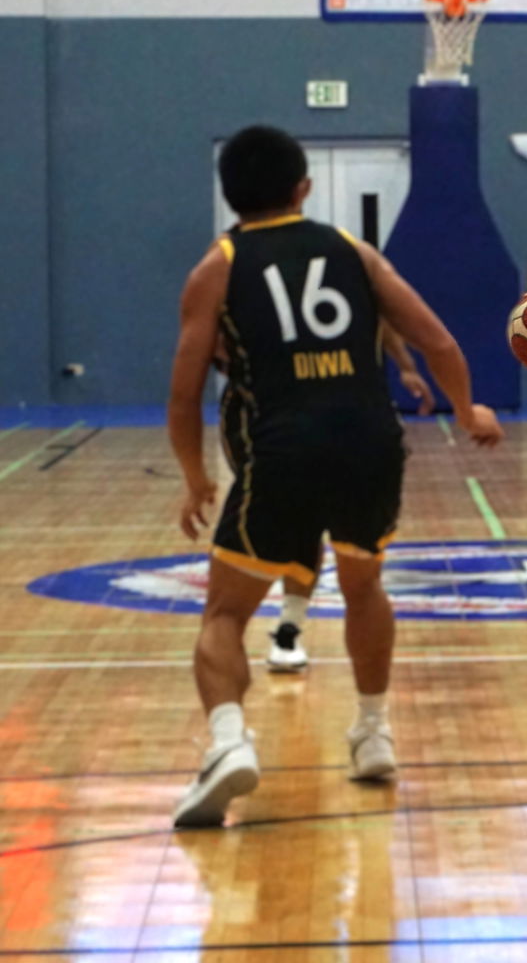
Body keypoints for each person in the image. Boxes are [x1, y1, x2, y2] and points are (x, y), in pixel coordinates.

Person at [168, 125, 503, 827]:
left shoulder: (216, 267)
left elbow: (183, 390)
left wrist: (195, 475)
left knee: (226, 612)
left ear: (229, 194)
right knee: (364, 583)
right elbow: (436, 337)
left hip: (284, 446)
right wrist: (467, 406)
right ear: (304, 188)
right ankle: (373, 731)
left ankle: (228, 743)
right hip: (369, 440)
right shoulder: (353, 250)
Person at [263, 324, 435, 673]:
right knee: (302, 530)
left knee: (359, 565)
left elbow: (388, 318)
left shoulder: (362, 270)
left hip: (357, 422)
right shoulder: (261, 274)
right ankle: (290, 625)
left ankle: (372, 714)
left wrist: (405, 365)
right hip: (292, 416)